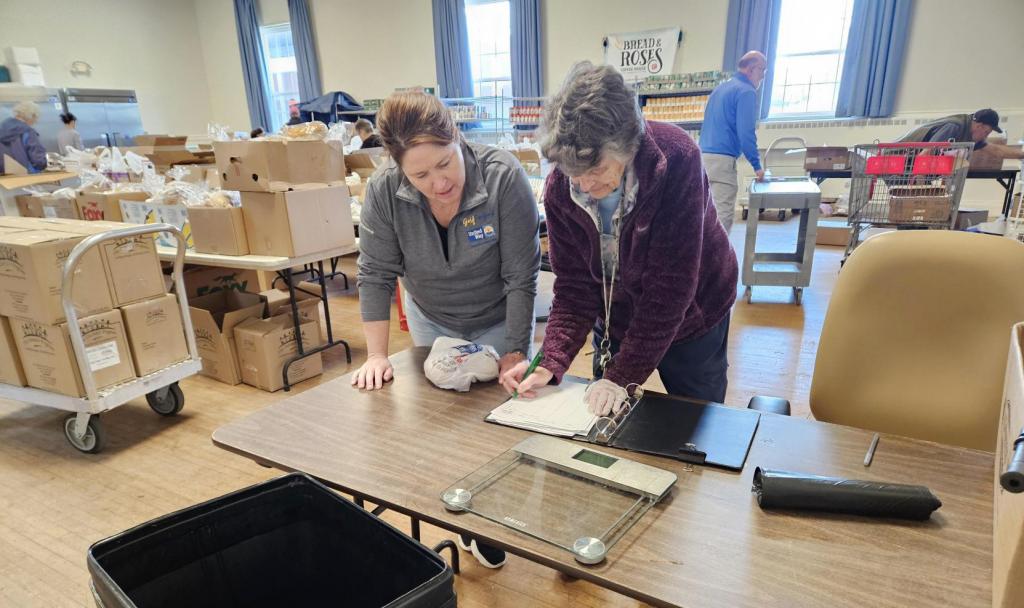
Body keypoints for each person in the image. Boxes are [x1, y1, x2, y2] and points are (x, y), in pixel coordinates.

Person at [353, 91, 540, 568]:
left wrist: (516, 350)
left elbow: (522, 276)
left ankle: (501, 515)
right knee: (444, 421)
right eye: (420, 175)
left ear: (458, 138)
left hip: (500, 317)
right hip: (432, 319)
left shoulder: (502, 177)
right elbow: (375, 273)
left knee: (502, 425)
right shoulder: (381, 193)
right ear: (398, 170)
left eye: (445, 163)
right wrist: (376, 356)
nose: (438, 183)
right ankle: (460, 510)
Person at [503, 61, 738, 417]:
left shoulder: (677, 159)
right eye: (573, 173)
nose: (584, 186)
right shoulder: (560, 190)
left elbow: (671, 288)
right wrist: (550, 359)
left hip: (695, 315)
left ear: (629, 144)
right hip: (616, 315)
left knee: (697, 423)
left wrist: (622, 376)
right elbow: (574, 288)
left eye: (596, 170)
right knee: (603, 418)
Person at [699, 50, 768, 233]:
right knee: (722, 216)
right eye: (763, 70)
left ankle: (699, 258)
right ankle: (716, 260)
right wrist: (757, 165)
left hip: (703, 158)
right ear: (752, 69)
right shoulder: (746, 91)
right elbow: (746, 132)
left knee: (703, 214)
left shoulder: (721, 88)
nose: (763, 76)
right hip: (723, 162)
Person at [897, 109, 1024, 160]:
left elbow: (996, 150)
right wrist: (920, 185)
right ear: (979, 126)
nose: (985, 137)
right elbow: (926, 153)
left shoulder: (971, 133)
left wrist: (1022, 155)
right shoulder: (955, 127)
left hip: (911, 160)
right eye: (986, 132)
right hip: (897, 157)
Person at [0, 101, 47, 174]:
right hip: (25, 175)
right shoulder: (28, 132)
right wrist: (44, 165)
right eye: (36, 118)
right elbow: (38, 159)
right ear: (32, 115)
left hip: (4, 177)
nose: (36, 121)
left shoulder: (2, 129)